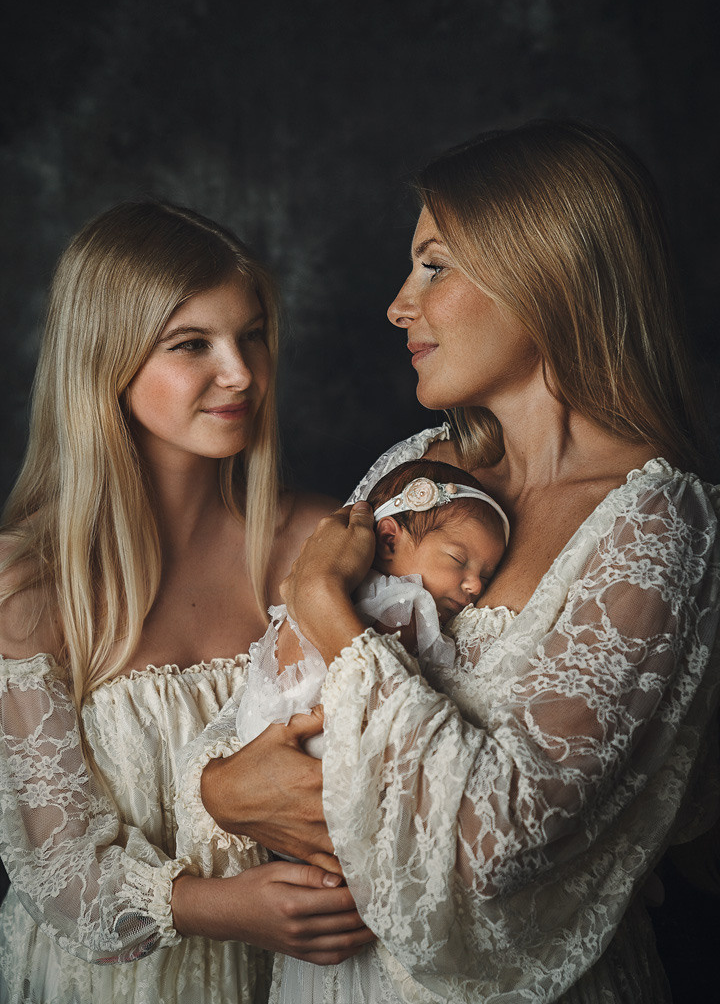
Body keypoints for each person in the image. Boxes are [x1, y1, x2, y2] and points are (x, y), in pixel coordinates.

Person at [195, 121, 720, 1003]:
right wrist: (221, 789)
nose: (400, 305)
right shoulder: (420, 467)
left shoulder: (658, 520)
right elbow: (269, 694)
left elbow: (493, 843)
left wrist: (333, 610)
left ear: (546, 272)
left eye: (433, 266)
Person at [0, 201, 373, 1004]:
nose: (240, 372)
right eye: (192, 344)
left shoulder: (317, 542)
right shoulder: (29, 586)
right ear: (107, 361)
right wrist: (224, 908)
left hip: (303, 976)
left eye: (253, 334)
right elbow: (58, 871)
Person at [178, 458, 508, 1002]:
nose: (473, 586)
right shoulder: (400, 606)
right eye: (458, 561)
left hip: (270, 730)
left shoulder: (350, 586)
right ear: (386, 539)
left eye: (487, 576)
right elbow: (390, 691)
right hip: (314, 739)